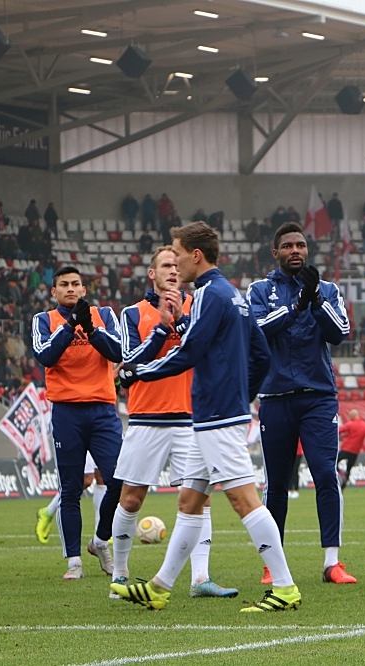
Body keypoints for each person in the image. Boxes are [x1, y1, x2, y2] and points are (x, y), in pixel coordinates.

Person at [113, 222, 299, 613]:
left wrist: (136, 372)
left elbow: (189, 352)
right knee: (189, 500)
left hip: (216, 415)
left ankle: (284, 587)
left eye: (178, 254)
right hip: (214, 414)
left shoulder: (210, 295)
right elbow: (261, 355)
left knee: (243, 499)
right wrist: (240, 397)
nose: (176, 264)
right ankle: (161, 586)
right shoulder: (232, 295)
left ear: (196, 255)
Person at [111, 246, 237, 599]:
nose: (171, 270)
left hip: (190, 421)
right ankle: (120, 574)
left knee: (200, 499)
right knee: (132, 499)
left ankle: (200, 579)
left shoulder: (200, 308)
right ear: (151, 274)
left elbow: (208, 351)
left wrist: (181, 321)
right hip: (146, 419)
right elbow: (130, 365)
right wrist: (162, 329)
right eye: (164, 265)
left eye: (175, 264)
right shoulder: (133, 314)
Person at [246, 222, 356, 585]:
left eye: (302, 245)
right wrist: (297, 305)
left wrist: (316, 301)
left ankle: (332, 562)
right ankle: (271, 566)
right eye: (289, 245)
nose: (296, 250)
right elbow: (258, 329)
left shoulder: (327, 289)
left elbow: (339, 333)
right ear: (275, 252)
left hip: (318, 398)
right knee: (276, 483)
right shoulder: (259, 290)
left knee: (326, 474)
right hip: (275, 398)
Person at [31, 267, 124, 580]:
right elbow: (46, 356)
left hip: (102, 410)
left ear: (84, 289)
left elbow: (119, 350)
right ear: (54, 292)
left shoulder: (105, 315)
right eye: (63, 285)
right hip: (67, 412)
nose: (70, 289)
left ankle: (99, 541)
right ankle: (74, 561)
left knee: (118, 481)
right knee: (71, 489)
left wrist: (91, 329)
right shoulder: (44, 320)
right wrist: (71, 324)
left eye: (75, 284)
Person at [337, 409, 365, 490]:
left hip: (346, 448)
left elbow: (339, 430)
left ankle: (340, 472)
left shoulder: (350, 424)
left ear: (353, 416)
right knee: (349, 469)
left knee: (334, 463)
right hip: (355, 452)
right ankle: (342, 488)